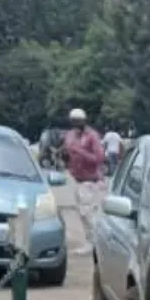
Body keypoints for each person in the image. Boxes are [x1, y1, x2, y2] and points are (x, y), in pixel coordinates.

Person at [63, 107, 106, 253]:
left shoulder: (92, 136)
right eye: (73, 121)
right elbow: (67, 153)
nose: (75, 124)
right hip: (76, 179)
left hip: (90, 180)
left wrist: (79, 151)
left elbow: (99, 158)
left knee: (88, 213)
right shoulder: (70, 135)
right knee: (82, 213)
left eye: (78, 121)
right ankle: (90, 241)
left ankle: (93, 243)